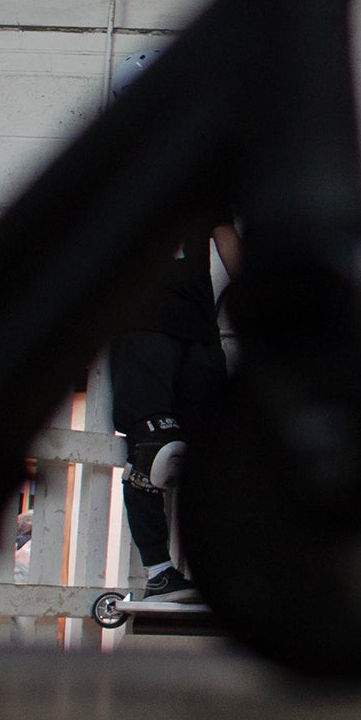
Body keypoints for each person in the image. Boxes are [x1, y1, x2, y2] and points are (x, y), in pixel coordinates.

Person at [106, 50, 241, 602]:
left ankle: (223, 569)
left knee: (216, 449)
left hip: (196, 326)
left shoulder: (203, 170)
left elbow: (227, 241)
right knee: (152, 450)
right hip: (140, 322)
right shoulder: (110, 165)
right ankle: (160, 570)